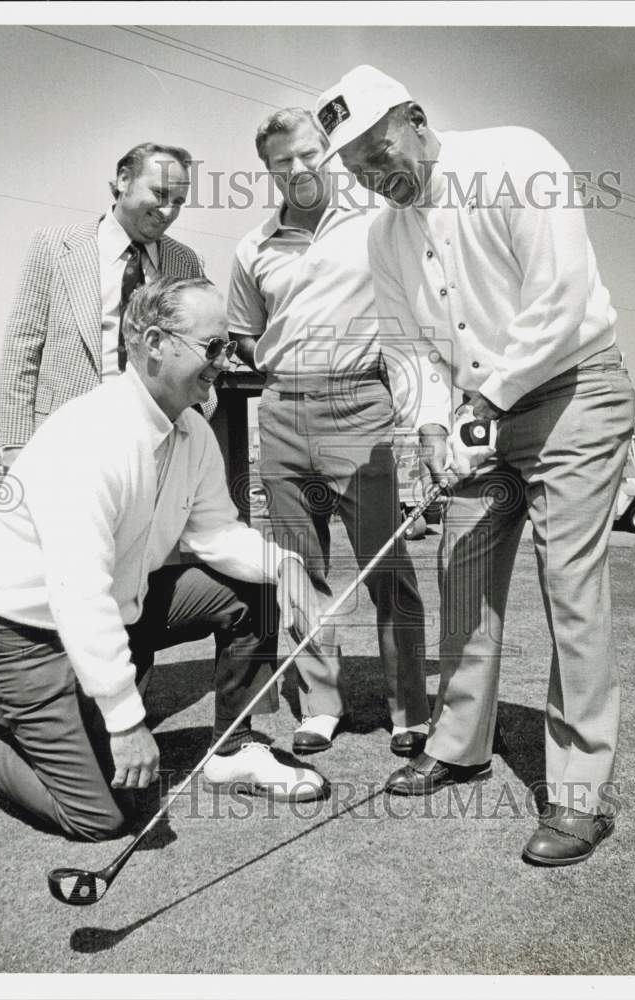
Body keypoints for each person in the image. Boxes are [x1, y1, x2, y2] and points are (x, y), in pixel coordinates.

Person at [315, 64, 635, 866]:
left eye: (377, 149)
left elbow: (559, 300)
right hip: (474, 414)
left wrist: (482, 405)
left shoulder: (514, 157)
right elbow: (407, 346)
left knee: (570, 587)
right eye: (354, 169)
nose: (373, 175)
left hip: (574, 392)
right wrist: (429, 427)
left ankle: (579, 796)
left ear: (417, 120)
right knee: (463, 572)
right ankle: (460, 744)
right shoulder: (384, 234)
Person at [0, 277, 325, 840]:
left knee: (252, 586)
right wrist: (125, 718)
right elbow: (78, 592)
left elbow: (214, 533)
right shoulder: (91, 437)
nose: (225, 362)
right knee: (98, 816)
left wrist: (285, 568)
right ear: (156, 342)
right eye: (213, 347)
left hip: (116, 609)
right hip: (19, 634)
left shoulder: (193, 430)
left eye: (229, 347)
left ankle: (235, 746)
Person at [227, 107, 430, 759]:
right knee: (298, 571)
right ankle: (320, 704)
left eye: (311, 152)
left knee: (386, 568)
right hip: (282, 410)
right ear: (268, 170)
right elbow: (244, 336)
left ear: (330, 151)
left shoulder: (379, 220)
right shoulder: (251, 247)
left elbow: (416, 313)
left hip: (361, 407)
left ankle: (409, 709)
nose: (300, 168)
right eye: (283, 160)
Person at [0, 141, 214, 469]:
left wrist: (198, 413)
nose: (168, 211)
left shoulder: (186, 262)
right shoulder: (53, 247)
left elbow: (202, 348)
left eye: (179, 202)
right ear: (124, 180)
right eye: (160, 194)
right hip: (67, 439)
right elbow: (21, 349)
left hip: (161, 442)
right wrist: (15, 444)